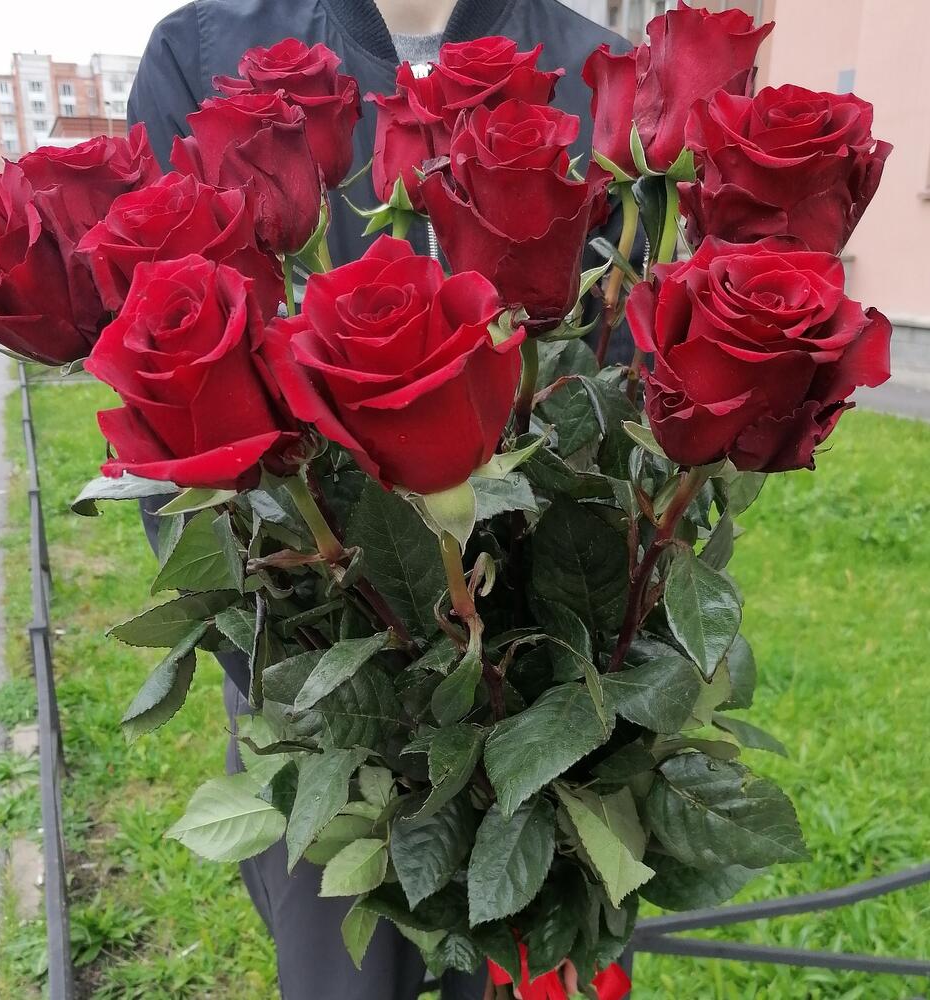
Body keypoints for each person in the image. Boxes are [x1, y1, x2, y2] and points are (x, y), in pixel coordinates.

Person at [129, 2, 629, 997]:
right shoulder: (203, 56)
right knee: (344, 975)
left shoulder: (601, 73)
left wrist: (572, 686)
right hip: (327, 695)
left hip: (551, 714)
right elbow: (164, 383)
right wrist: (317, 678)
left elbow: (634, 402)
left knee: (542, 964)